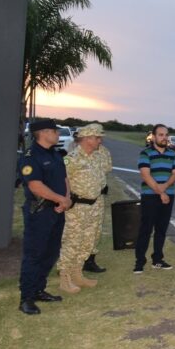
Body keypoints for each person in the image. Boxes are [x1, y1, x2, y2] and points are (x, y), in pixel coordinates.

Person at [17, 119, 72, 315]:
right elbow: (35, 186)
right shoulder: (31, 157)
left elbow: (65, 179)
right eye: (55, 131)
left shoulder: (55, 154)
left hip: (57, 210)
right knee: (35, 255)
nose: (58, 134)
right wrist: (60, 199)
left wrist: (66, 199)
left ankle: (39, 290)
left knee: (51, 253)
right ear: (43, 133)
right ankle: (26, 298)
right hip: (39, 213)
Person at [57, 123, 110, 294]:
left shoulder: (96, 156)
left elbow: (103, 175)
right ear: (87, 139)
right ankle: (64, 279)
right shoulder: (71, 158)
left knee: (88, 241)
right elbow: (60, 181)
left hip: (95, 206)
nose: (99, 140)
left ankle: (77, 273)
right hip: (78, 207)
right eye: (97, 137)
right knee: (73, 242)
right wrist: (64, 200)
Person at [135, 124, 175, 274]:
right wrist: (161, 193)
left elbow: (174, 175)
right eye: (160, 135)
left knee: (161, 229)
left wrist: (165, 188)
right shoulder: (145, 153)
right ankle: (139, 262)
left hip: (168, 195)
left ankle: (157, 260)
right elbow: (146, 175)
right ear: (153, 137)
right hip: (150, 196)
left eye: (166, 135)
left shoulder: (173, 154)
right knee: (145, 229)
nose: (164, 138)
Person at [82, 141, 113, 274]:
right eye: (96, 136)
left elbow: (107, 168)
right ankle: (70, 264)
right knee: (77, 231)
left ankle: (89, 260)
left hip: (98, 197)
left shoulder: (104, 151)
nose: (99, 139)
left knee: (95, 230)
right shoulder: (78, 150)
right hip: (81, 199)